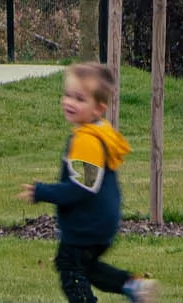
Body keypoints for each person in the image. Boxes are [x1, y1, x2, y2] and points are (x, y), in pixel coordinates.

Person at [26, 62, 157, 303]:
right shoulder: (99, 131)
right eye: (67, 95)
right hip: (101, 221)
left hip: (88, 224)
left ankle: (129, 286)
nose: (70, 102)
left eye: (79, 98)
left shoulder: (88, 141)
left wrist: (42, 191)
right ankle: (132, 285)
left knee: (71, 270)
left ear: (98, 108)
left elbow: (84, 186)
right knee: (87, 267)